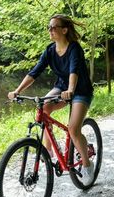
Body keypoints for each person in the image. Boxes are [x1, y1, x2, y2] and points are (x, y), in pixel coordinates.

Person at [7, 14, 95, 185]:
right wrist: (17, 91)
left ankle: (87, 164)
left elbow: (74, 70)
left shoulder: (74, 48)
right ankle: (49, 150)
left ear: (64, 29)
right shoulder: (49, 50)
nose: (50, 30)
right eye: (49, 27)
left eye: (54, 27)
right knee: (43, 108)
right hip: (62, 87)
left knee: (73, 129)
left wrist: (70, 89)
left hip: (80, 90)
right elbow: (35, 72)